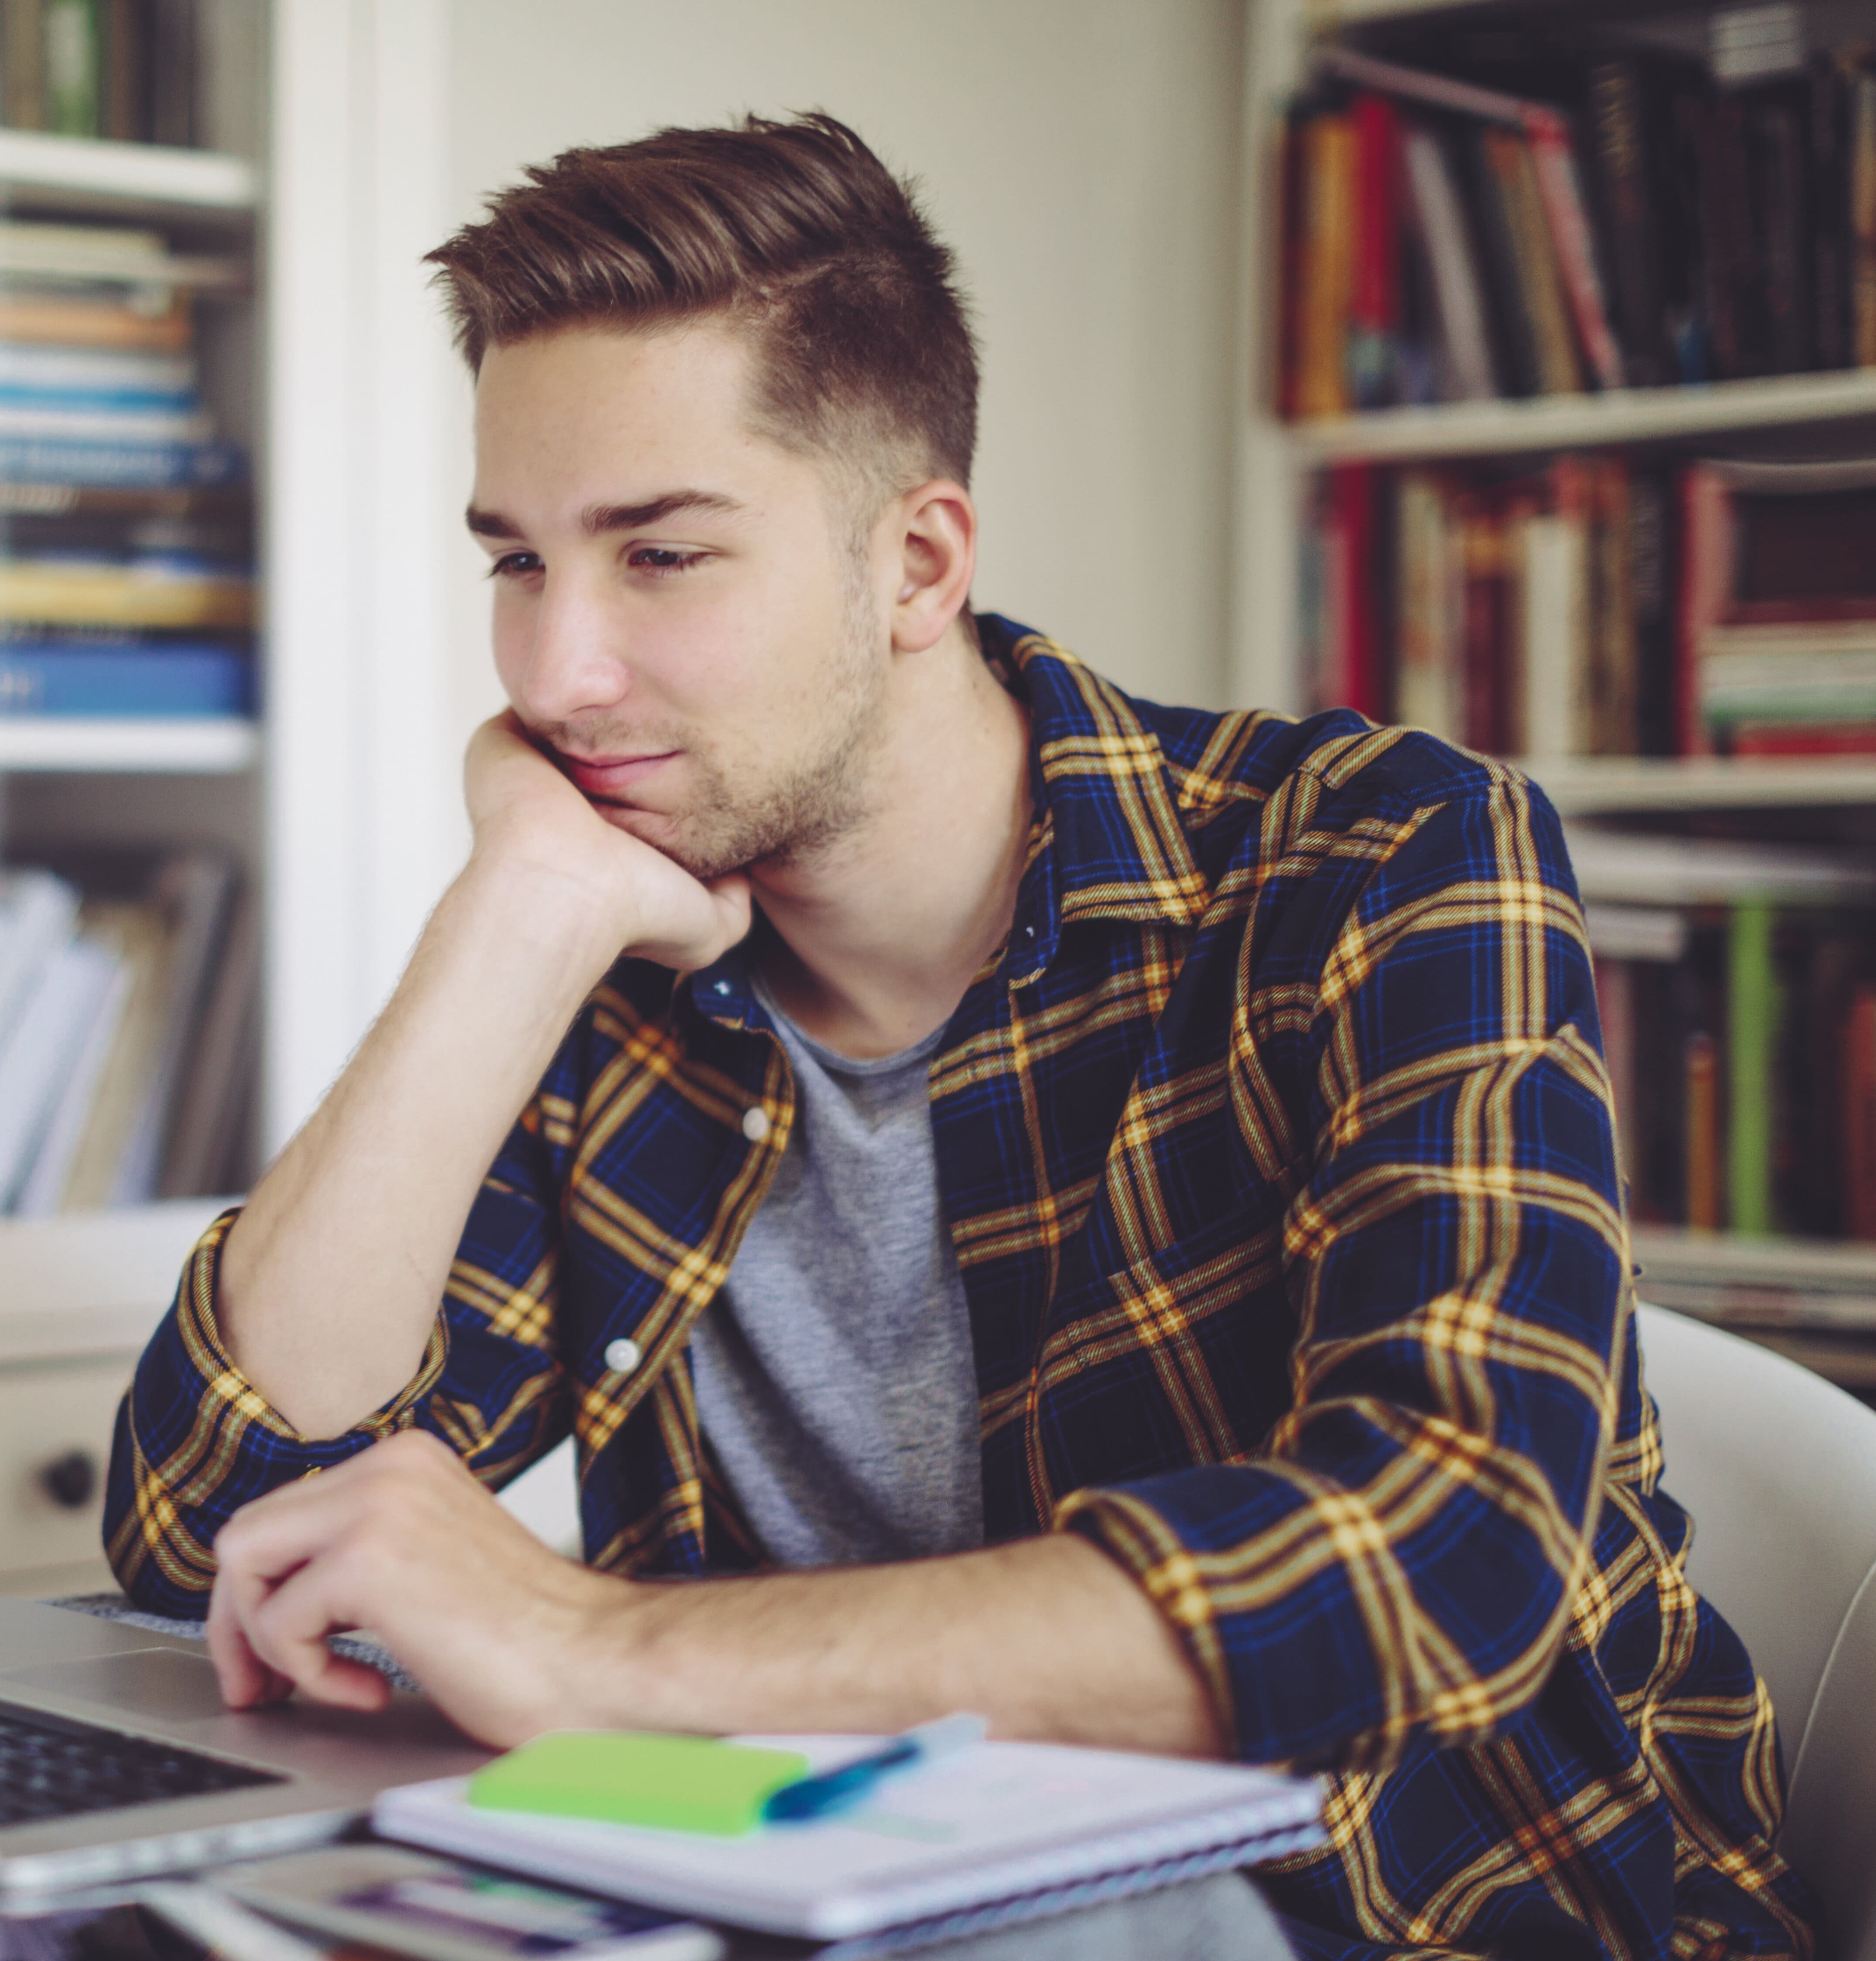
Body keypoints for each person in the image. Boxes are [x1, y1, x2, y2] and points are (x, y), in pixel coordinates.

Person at [101, 112, 1813, 1960]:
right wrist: (506, 914)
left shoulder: (1380, 860)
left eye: (660, 557)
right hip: (813, 1906)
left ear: (920, 567)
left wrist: (598, 1649)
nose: (549, 674)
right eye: (516, 562)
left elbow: (1441, 1552)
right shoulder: (615, 939)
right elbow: (215, 1520)